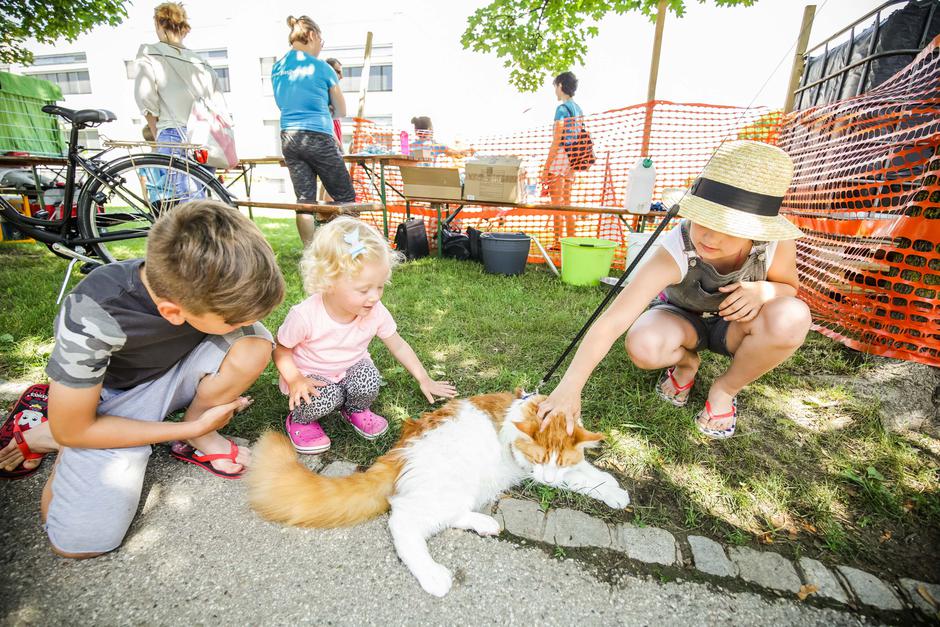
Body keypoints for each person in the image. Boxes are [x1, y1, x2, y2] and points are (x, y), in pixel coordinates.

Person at [0, 200, 284, 557]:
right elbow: (78, 429)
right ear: (172, 312)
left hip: (167, 376)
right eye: (232, 319)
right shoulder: (93, 313)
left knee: (253, 344)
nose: (244, 322)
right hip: (109, 401)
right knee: (80, 542)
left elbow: (245, 331)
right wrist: (183, 430)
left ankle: (194, 430)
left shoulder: (196, 289)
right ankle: (55, 428)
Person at [537, 140, 812, 440]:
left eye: (729, 227)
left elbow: (789, 288)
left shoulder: (775, 243)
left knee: (793, 317)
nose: (709, 235)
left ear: (757, 229)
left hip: (735, 327)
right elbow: (614, 319)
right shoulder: (676, 248)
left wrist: (764, 291)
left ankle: (725, 388)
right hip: (681, 321)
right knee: (643, 344)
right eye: (703, 218)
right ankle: (686, 362)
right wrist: (569, 387)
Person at [274, 217, 457, 453]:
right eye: (364, 290)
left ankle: (355, 409)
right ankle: (300, 420)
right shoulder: (305, 315)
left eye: (379, 286)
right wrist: (295, 379)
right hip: (311, 377)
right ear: (328, 282)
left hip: (349, 369)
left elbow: (398, 345)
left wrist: (424, 378)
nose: (375, 297)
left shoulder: (374, 311)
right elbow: (280, 349)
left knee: (369, 378)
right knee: (325, 397)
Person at [273, 16, 356, 247]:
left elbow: (282, 104)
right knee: (346, 198)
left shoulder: (277, 68)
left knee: (304, 201)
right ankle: (353, 249)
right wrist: (327, 108)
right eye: (321, 40)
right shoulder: (321, 67)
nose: (321, 47)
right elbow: (341, 110)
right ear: (311, 35)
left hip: (289, 137)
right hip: (317, 136)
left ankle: (311, 253)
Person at [133, 2, 231, 199]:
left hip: (172, 134)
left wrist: (156, 132)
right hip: (205, 138)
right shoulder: (200, 62)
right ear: (184, 28)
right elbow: (218, 104)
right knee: (200, 199)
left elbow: (145, 97)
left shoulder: (150, 53)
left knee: (185, 205)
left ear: (159, 24)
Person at [541, 71, 583, 244]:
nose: (555, 91)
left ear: (560, 85)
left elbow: (557, 139)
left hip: (560, 158)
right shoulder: (578, 109)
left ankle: (558, 242)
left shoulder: (561, 109)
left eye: (555, 87)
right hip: (573, 159)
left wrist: (545, 167)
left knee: (556, 203)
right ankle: (571, 242)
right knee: (567, 203)